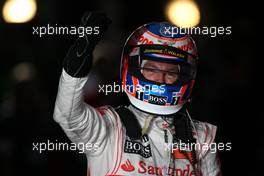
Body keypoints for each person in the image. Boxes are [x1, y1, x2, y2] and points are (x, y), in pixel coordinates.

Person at [53, 12, 221, 176]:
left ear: (185, 76)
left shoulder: (200, 136)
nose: (160, 78)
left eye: (171, 72)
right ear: (132, 68)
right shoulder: (110, 128)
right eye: (150, 69)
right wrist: (77, 62)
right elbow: (67, 116)